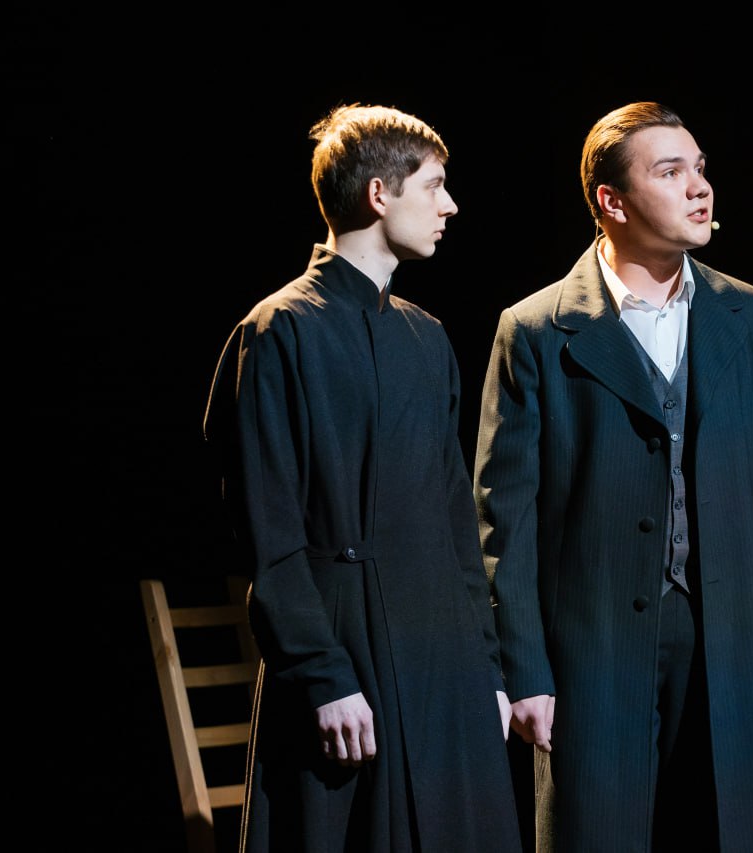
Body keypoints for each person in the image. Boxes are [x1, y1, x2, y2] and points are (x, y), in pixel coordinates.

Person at [472, 101, 753, 852]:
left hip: (725, 633)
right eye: (670, 172)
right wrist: (524, 666)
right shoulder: (536, 329)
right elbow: (505, 519)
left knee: (725, 827)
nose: (699, 187)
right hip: (594, 643)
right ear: (613, 201)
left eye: (699, 168)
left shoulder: (743, 312)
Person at [203, 102, 523, 852]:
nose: (450, 204)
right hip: (346, 651)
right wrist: (321, 674)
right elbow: (269, 529)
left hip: (444, 658)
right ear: (380, 194)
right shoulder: (279, 331)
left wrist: (488, 667)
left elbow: (456, 523)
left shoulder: (427, 336)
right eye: (435, 185)